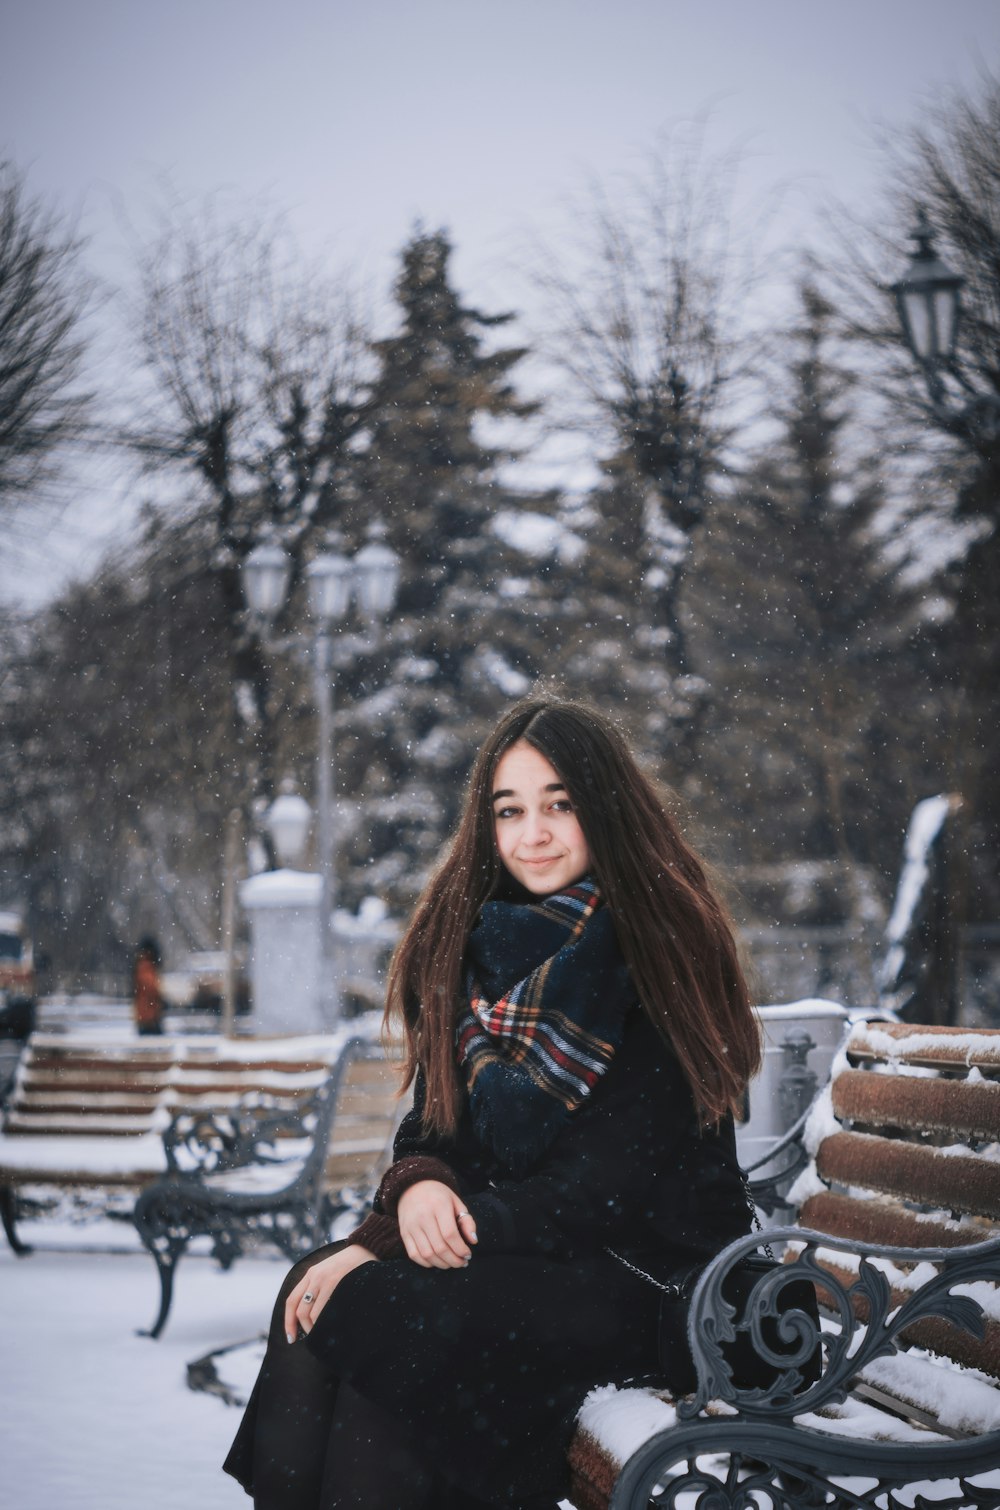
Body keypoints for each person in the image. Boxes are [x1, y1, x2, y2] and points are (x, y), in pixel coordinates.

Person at [224, 696, 761, 1510]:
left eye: (559, 805)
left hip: (651, 1278)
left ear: (605, 809)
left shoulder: (659, 953)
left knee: (386, 1315)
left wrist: (422, 1242)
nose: (532, 834)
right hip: (539, 1255)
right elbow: (436, 1123)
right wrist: (414, 1192)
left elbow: (603, 1190)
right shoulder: (483, 948)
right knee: (315, 1290)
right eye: (509, 811)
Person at [132, 935, 164, 1036]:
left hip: (145, 1016)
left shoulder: (142, 965)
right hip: (149, 1018)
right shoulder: (147, 967)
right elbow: (151, 989)